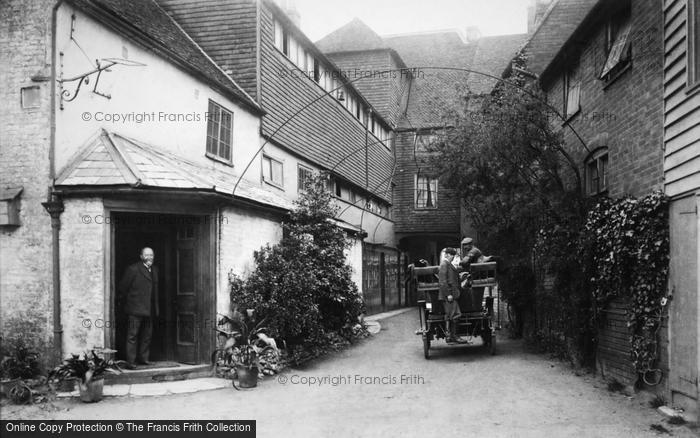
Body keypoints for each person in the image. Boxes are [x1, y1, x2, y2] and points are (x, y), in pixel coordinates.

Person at [118, 247, 159, 369]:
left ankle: (144, 359)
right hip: (135, 309)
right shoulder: (133, 269)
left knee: (147, 336)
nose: (149, 257)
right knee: (132, 336)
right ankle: (131, 362)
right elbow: (123, 288)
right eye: (146, 255)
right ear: (141, 256)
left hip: (149, 309)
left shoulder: (155, 270)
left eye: (151, 255)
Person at [438, 247, 462, 343]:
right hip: (448, 296)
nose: (453, 258)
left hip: (451, 295)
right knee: (455, 314)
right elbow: (442, 281)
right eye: (452, 255)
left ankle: (451, 336)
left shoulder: (448, 264)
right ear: (448, 255)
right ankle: (454, 337)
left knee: (452, 315)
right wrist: (448, 294)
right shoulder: (444, 264)